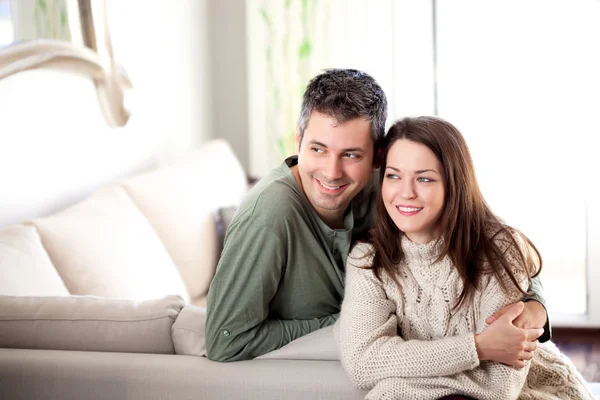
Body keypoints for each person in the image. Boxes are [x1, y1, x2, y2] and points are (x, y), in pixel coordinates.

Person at [205, 69, 549, 363]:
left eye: (351, 154)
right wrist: (349, 323)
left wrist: (536, 306)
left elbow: (487, 237)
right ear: (299, 140)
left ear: (377, 156)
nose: (332, 172)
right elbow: (226, 340)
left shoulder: (389, 187)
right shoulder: (270, 216)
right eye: (317, 149)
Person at [337, 116, 594, 399]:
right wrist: (479, 346)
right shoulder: (368, 260)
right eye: (394, 176)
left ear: (454, 185)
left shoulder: (498, 249)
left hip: (538, 392)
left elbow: (499, 386)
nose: (405, 193)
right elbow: (363, 361)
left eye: (424, 178)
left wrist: (396, 386)